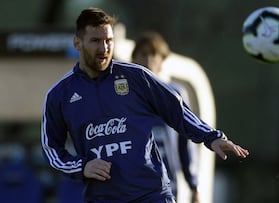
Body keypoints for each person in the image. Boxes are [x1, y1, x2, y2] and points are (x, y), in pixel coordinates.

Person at [41, 7, 249, 203]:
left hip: (152, 194)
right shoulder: (60, 95)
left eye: (109, 41)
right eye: (96, 41)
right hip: (103, 198)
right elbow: (52, 150)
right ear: (77, 43)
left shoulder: (136, 77)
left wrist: (212, 137)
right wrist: (82, 166)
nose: (104, 48)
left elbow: (176, 109)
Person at [131, 31, 199, 203]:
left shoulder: (175, 94)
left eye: (154, 54)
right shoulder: (124, 95)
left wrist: (194, 185)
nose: (148, 60)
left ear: (162, 60)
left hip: (167, 186)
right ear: (134, 59)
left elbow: (186, 142)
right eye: (143, 54)